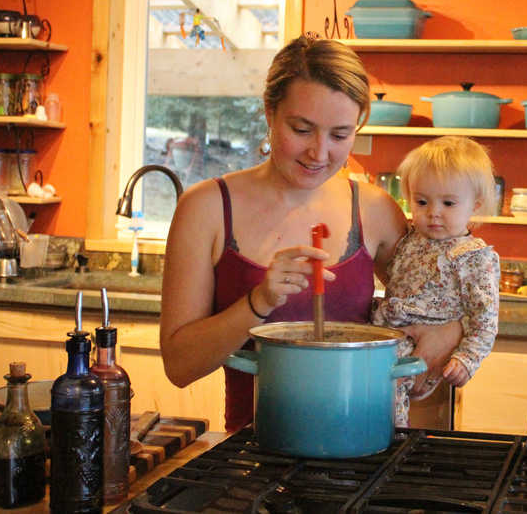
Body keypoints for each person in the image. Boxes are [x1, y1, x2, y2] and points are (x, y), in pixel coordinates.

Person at [160, 34, 464, 432]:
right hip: (255, 450)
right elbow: (180, 365)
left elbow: (455, 300)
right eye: (302, 129)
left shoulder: (373, 212)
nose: (319, 153)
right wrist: (258, 301)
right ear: (269, 112)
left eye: (340, 135)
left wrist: (452, 330)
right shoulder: (207, 208)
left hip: (364, 442)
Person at [372, 136, 500, 427]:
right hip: (389, 329)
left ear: (475, 205)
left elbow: (485, 318)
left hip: (418, 345)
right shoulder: (410, 240)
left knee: (388, 379)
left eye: (449, 203)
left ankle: (392, 440)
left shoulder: (472, 256)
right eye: (421, 201)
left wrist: (468, 358)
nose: (433, 212)